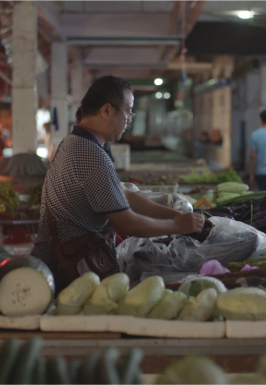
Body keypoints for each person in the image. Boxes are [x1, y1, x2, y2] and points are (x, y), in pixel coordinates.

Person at [32, 75, 204, 288]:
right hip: (75, 273)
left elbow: (125, 194)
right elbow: (126, 222)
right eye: (128, 111)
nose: (130, 119)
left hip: (61, 263)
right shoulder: (91, 154)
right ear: (107, 111)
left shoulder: (73, 142)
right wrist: (176, 225)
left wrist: (176, 215)